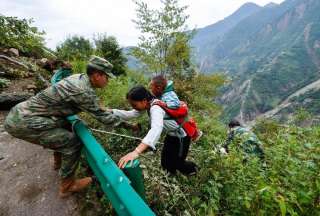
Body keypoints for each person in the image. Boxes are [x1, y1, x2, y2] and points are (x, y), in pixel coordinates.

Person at [4, 56, 123, 197]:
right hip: (24, 122)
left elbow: (94, 106)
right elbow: (104, 118)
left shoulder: (79, 78)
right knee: (72, 143)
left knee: (65, 126)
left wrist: (104, 109)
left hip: (21, 113)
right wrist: (128, 125)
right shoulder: (83, 91)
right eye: (107, 77)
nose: (107, 81)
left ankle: (58, 163)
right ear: (97, 75)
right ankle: (67, 186)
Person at [113, 85, 198, 176]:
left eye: (134, 104)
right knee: (165, 162)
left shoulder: (155, 109)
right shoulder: (148, 104)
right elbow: (131, 114)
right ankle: (171, 175)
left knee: (179, 163)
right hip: (172, 135)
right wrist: (111, 111)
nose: (134, 107)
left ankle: (194, 170)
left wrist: (136, 152)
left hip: (182, 137)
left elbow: (156, 129)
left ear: (144, 101)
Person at [149, 74, 202, 141]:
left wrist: (164, 104)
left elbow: (175, 104)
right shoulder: (163, 94)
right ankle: (196, 133)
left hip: (182, 135)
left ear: (158, 87)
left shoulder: (169, 95)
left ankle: (196, 133)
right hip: (175, 134)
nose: (150, 89)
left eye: (151, 87)